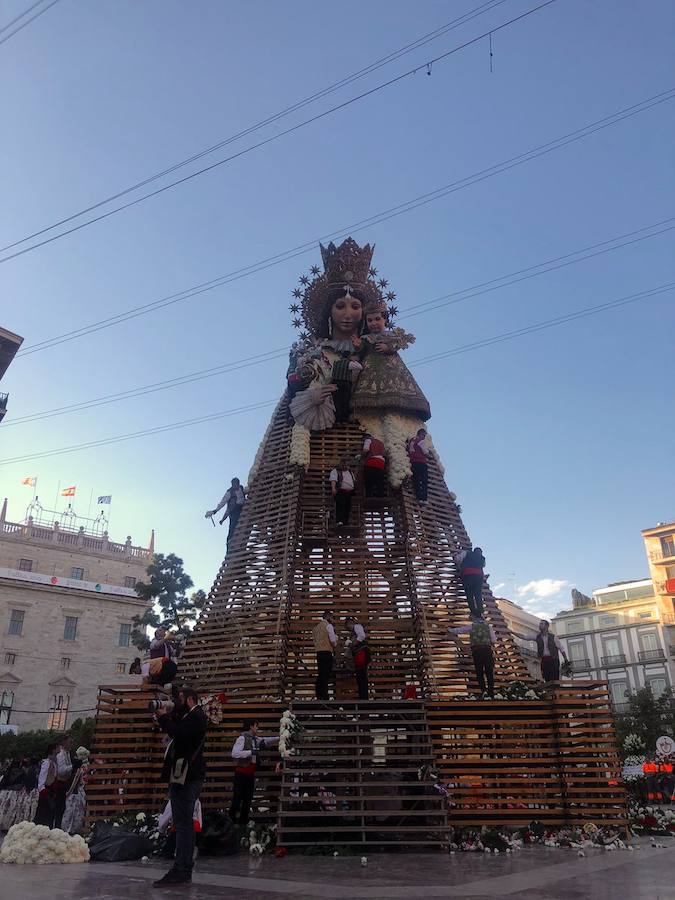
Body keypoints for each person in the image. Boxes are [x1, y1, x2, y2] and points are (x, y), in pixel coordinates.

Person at [154, 687, 207, 887]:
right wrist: (165, 714)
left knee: (184, 823)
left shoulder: (197, 717)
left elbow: (179, 733)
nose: (178, 702)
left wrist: (164, 718)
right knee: (182, 822)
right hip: (184, 775)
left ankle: (182, 869)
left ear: (191, 700)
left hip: (188, 776)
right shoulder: (191, 716)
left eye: (182, 699)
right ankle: (182, 867)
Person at [229, 719, 279, 827]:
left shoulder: (256, 739)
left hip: (250, 774)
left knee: (247, 800)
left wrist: (280, 738)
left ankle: (243, 823)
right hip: (241, 774)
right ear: (251, 726)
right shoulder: (242, 738)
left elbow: (266, 741)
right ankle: (230, 823)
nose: (257, 728)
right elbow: (234, 753)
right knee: (237, 800)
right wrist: (250, 752)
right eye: (256, 726)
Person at [448, 614, 497, 697]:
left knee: (479, 672)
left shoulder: (471, 627)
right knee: (489, 671)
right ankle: (490, 691)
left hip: (477, 651)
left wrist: (450, 630)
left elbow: (460, 630)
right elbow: (494, 640)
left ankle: (483, 690)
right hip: (487, 650)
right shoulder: (489, 627)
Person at [205, 477, 247, 546]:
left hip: (242, 509)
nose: (236, 486)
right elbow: (223, 503)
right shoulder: (229, 492)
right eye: (234, 484)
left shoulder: (241, 488)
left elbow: (245, 492)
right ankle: (230, 541)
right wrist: (216, 511)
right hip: (235, 510)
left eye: (237, 484)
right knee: (233, 526)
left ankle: (240, 541)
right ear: (232, 484)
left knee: (242, 526)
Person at [60, 746, 89, 835]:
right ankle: (78, 828)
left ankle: (69, 829)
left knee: (71, 810)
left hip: (76, 791)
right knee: (80, 810)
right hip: (83, 791)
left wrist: (69, 792)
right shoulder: (88, 766)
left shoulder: (80, 768)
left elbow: (76, 780)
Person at [454, 546, 487, 617]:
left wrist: (455, 556)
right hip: (479, 577)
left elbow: (457, 559)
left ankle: (474, 612)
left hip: (468, 576)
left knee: (469, 595)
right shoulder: (482, 558)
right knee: (478, 595)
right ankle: (480, 612)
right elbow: (483, 565)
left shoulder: (467, 553)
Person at [312, 611, 338, 700]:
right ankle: (324, 695)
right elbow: (333, 641)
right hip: (327, 652)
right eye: (332, 618)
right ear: (329, 617)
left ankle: (319, 695)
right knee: (326, 674)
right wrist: (336, 641)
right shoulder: (329, 626)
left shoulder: (316, 628)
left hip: (319, 653)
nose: (333, 620)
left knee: (321, 674)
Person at [34, 743, 58, 827]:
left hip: (51, 791)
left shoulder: (54, 763)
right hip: (46, 793)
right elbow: (41, 780)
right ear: (53, 750)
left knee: (50, 818)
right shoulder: (47, 763)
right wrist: (44, 792)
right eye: (57, 748)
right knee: (42, 818)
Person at [345, 616, 369, 700]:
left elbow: (362, 636)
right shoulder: (353, 631)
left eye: (347, 626)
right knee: (360, 677)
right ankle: (363, 696)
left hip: (361, 654)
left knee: (362, 676)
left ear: (349, 623)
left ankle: (364, 697)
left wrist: (353, 644)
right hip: (359, 655)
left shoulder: (357, 627)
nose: (347, 629)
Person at [52, 735, 73, 829]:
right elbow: (61, 770)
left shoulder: (67, 753)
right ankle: (56, 826)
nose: (71, 744)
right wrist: (72, 767)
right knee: (59, 807)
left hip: (65, 783)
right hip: (60, 783)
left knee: (62, 807)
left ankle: (58, 825)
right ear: (64, 743)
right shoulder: (61, 754)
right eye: (69, 742)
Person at [407, 428, 432, 502]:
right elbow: (425, 453)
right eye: (423, 435)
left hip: (413, 463)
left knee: (416, 480)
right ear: (420, 434)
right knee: (424, 481)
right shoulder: (420, 442)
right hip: (421, 463)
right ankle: (424, 499)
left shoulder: (412, 441)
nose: (424, 437)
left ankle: (419, 497)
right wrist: (429, 456)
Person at [329, 458, 356, 526]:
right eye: (344, 465)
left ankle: (345, 522)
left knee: (347, 507)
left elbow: (353, 480)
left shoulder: (350, 472)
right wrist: (333, 488)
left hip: (349, 492)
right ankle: (339, 521)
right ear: (341, 464)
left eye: (347, 465)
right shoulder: (335, 471)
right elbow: (333, 480)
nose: (345, 466)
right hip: (340, 491)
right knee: (340, 506)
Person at [361, 433, 386, 498]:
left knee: (369, 482)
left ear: (366, 437)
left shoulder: (368, 440)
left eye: (363, 440)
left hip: (371, 463)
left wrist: (361, 457)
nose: (363, 441)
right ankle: (381, 498)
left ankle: (368, 498)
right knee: (379, 483)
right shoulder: (380, 442)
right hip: (381, 464)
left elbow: (365, 450)